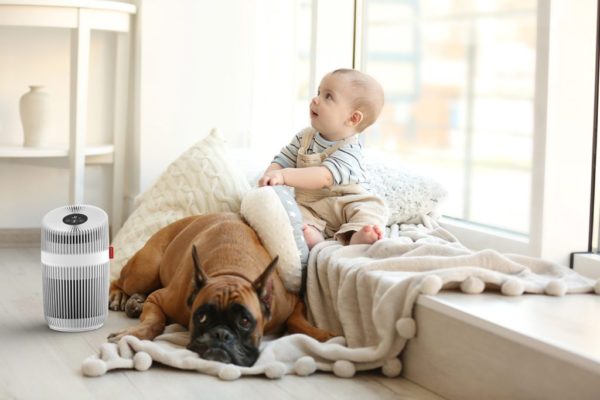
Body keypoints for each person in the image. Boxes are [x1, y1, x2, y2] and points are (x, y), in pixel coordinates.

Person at [258, 68, 388, 249]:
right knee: (293, 214)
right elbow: (282, 160)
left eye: (328, 96)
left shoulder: (350, 149)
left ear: (353, 118)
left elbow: (324, 177)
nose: (316, 99)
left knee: (372, 209)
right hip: (312, 206)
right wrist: (269, 178)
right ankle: (313, 235)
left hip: (346, 203)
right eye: (319, 92)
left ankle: (356, 235)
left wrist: (283, 176)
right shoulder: (304, 137)